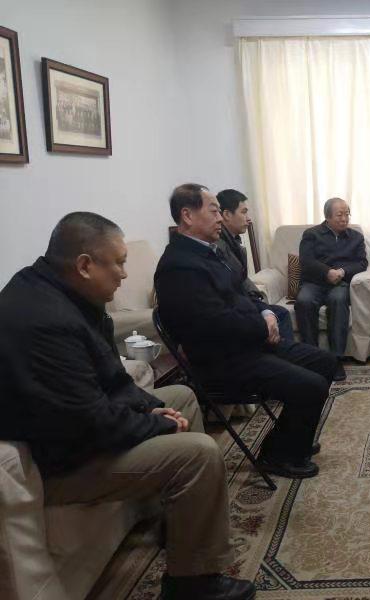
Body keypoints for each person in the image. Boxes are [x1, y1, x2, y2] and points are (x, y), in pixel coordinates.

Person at [0, 212, 254, 600]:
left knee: (181, 398)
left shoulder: (64, 292)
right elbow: (88, 423)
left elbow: (112, 378)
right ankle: (193, 583)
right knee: (198, 454)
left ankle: (182, 526)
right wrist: (156, 424)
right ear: (84, 265)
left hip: (83, 430)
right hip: (61, 462)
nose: (124, 274)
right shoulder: (44, 322)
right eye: (118, 263)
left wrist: (149, 408)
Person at [155, 184, 338, 479]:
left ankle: (292, 438)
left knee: (325, 362)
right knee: (311, 386)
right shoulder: (179, 267)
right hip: (221, 360)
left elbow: (239, 294)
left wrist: (265, 311)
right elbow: (215, 324)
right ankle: (277, 456)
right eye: (213, 211)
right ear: (187, 215)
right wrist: (261, 327)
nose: (220, 218)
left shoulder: (208, 252)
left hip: (245, 345)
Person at [295, 197, 367, 381]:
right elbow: (306, 260)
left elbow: (362, 263)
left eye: (347, 214)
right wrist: (327, 272)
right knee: (304, 301)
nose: (344, 218)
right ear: (327, 217)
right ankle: (311, 358)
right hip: (314, 282)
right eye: (339, 215)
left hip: (339, 283)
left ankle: (336, 360)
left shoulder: (356, 237)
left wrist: (342, 272)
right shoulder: (311, 234)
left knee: (338, 300)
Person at [217, 188, 293, 341]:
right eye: (244, 212)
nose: (249, 219)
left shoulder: (233, 241)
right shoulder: (219, 246)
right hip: (234, 310)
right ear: (227, 215)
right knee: (280, 314)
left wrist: (259, 301)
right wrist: (258, 306)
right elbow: (234, 285)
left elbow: (242, 279)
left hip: (242, 304)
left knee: (280, 313)